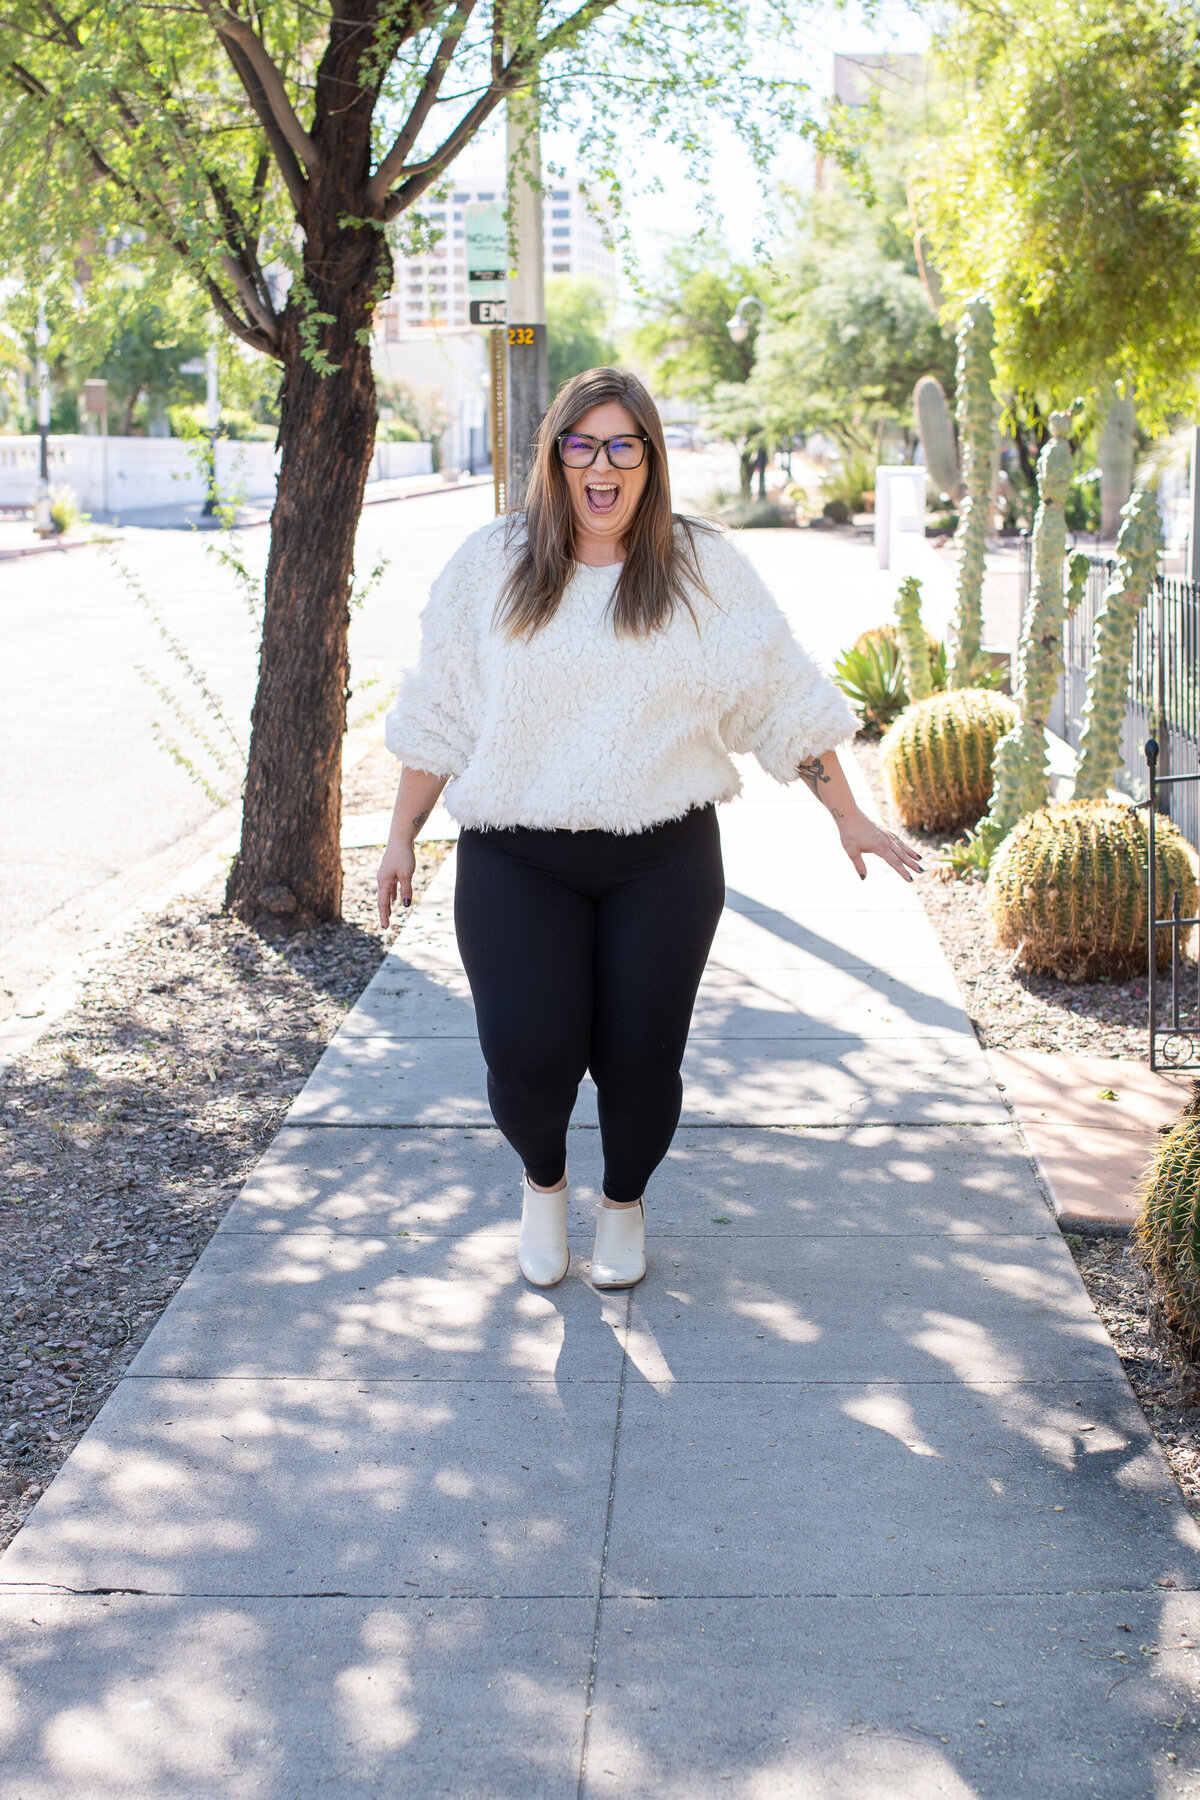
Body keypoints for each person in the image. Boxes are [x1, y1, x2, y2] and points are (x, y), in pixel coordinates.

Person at [377, 367, 920, 1293]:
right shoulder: (492, 564)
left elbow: (779, 697)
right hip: (516, 852)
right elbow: (440, 711)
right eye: (582, 444)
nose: (603, 465)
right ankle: (543, 1186)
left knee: (639, 1061)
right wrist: (399, 834)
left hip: (661, 858)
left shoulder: (702, 570)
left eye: (624, 445)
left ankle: (623, 1204)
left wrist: (850, 815)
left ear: (651, 460)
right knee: (527, 1057)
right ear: (554, 456)